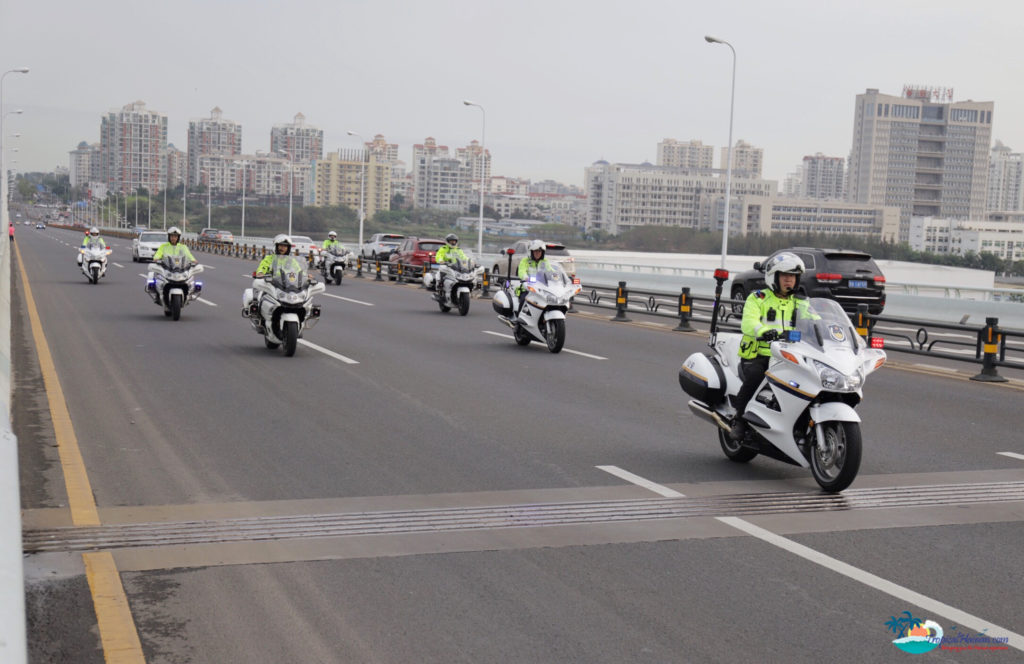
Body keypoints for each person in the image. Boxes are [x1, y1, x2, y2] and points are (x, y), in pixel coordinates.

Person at [730, 252, 808, 441]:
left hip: (788, 356)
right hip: (759, 354)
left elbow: (813, 322)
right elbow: (748, 322)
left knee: (807, 383)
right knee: (757, 375)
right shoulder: (758, 298)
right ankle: (739, 419)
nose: (790, 281)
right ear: (774, 277)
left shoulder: (799, 302)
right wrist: (763, 331)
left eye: (793, 277)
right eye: (785, 276)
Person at [514, 239, 551, 317]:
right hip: (528, 288)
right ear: (531, 252)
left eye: (539, 251)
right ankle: (518, 321)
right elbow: (521, 271)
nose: (537, 253)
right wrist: (526, 277)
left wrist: (556, 276)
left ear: (542, 252)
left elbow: (551, 271)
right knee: (524, 300)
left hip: (542, 289)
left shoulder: (545, 262)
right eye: (535, 251)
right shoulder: (525, 261)